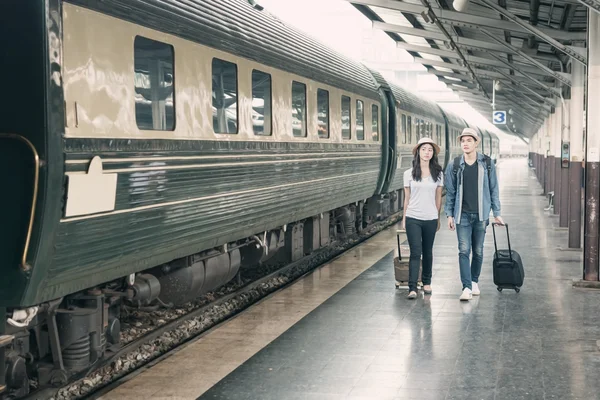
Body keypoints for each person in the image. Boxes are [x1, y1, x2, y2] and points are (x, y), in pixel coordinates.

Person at [445, 128, 504, 301]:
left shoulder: (486, 163)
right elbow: (450, 192)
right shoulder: (454, 165)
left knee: (477, 251)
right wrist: (449, 214)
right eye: (463, 140)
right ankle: (466, 287)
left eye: (469, 140)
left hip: (481, 214)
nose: (465, 143)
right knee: (464, 250)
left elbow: (494, 189)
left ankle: (474, 280)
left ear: (476, 143)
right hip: (461, 215)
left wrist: (497, 213)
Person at [402, 137, 444, 300]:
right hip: (413, 217)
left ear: (433, 154)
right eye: (424, 149)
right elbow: (407, 198)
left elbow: (438, 197)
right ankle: (412, 288)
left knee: (428, 252)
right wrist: (404, 218)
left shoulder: (438, 174)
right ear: (418, 152)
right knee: (415, 252)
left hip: (431, 218)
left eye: (430, 150)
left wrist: (438, 217)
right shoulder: (408, 174)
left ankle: (426, 282)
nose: (427, 152)